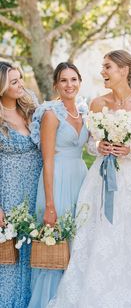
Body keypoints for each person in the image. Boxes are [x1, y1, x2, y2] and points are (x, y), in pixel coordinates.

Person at [48, 50, 131, 307]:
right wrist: (100, 148)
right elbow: (90, 144)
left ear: (124, 70)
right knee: (98, 232)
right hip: (101, 177)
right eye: (103, 67)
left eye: (107, 67)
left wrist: (130, 150)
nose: (103, 72)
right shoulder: (97, 104)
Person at [28, 62, 89, 308]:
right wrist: (50, 204)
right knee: (56, 245)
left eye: (73, 79)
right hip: (57, 180)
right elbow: (47, 159)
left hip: (81, 179)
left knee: (77, 244)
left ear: (80, 82)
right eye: (63, 80)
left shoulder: (84, 113)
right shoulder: (51, 114)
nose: (69, 85)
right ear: (55, 85)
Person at [0, 61, 42, 308]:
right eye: (13, 82)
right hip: (10, 188)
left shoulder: (30, 107)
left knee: (35, 246)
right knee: (11, 252)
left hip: (35, 185)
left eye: (20, 79)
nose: (20, 85)